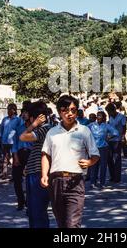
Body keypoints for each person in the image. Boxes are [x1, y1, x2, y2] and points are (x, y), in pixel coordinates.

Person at [41, 95, 100, 228]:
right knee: (61, 223)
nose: (70, 114)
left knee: (73, 224)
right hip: (55, 181)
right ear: (59, 112)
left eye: (73, 110)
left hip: (76, 182)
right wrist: (44, 175)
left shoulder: (84, 131)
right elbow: (45, 155)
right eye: (65, 110)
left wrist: (90, 162)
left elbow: (95, 154)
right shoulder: (52, 132)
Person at [19, 101, 52, 228]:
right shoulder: (45, 129)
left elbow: (22, 137)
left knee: (37, 210)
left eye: (30, 117)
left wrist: (33, 125)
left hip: (38, 174)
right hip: (34, 172)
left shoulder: (44, 129)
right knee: (33, 210)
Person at [88, 111, 119, 188]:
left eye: (100, 116)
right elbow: (83, 132)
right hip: (94, 148)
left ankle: (102, 183)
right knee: (94, 165)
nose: (98, 117)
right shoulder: (91, 125)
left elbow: (116, 132)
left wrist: (109, 137)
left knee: (103, 166)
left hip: (103, 148)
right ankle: (93, 182)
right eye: (98, 115)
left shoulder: (106, 126)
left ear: (103, 118)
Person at [105, 103, 127, 183]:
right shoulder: (110, 117)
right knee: (109, 158)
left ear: (113, 110)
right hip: (109, 139)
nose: (108, 113)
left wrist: (123, 137)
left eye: (109, 111)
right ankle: (112, 176)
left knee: (117, 158)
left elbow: (124, 128)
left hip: (117, 140)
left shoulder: (122, 117)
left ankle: (117, 177)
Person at [0, 104, 22, 180]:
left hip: (13, 142)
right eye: (8, 109)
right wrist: (1, 138)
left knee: (14, 158)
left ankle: (14, 175)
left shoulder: (18, 120)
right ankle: (4, 174)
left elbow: (20, 130)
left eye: (10, 109)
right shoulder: (4, 119)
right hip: (5, 141)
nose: (8, 111)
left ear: (14, 110)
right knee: (5, 158)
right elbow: (1, 129)